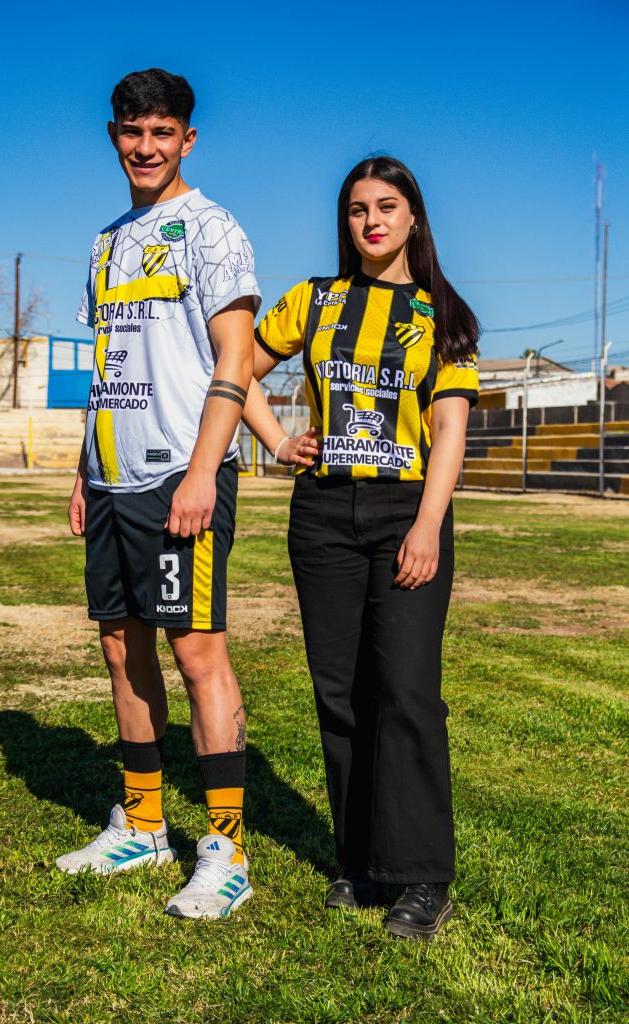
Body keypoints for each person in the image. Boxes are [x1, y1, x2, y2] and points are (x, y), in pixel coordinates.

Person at [241, 156, 479, 939]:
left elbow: (448, 428)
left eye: (386, 205)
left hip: (405, 509)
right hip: (321, 515)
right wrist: (277, 439)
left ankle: (419, 877)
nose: (370, 220)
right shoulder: (313, 301)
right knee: (339, 693)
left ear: (413, 215)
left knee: (406, 691)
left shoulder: (443, 314)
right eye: (355, 209)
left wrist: (424, 525)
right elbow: (233, 368)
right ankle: (357, 861)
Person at [56, 69, 262, 921]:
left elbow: (234, 360)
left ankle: (227, 849)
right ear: (114, 136)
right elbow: (110, 367)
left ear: (187, 140)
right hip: (110, 477)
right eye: (133, 132)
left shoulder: (210, 230)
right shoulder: (107, 241)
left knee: (195, 651)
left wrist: (203, 473)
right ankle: (143, 823)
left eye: (163, 132)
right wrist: (80, 466)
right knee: (119, 644)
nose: (147, 147)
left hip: (182, 473)